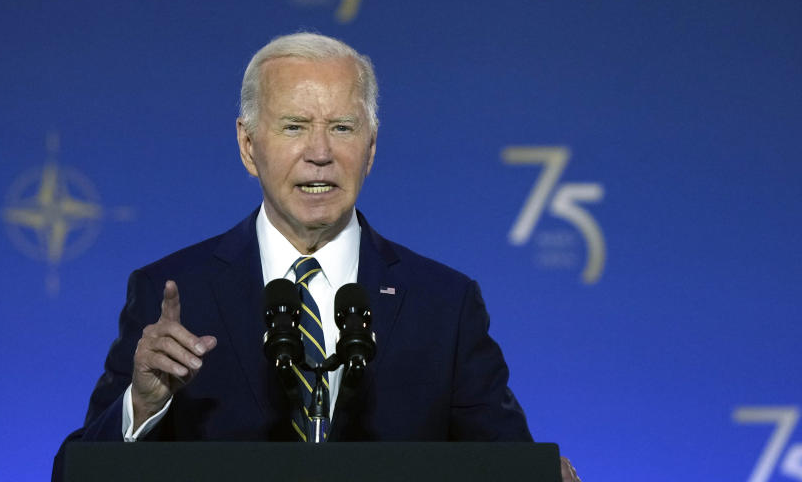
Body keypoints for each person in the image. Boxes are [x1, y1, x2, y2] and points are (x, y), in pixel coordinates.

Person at [53, 33, 580, 482]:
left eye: (343, 128)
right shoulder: (172, 294)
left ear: (371, 148)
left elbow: (506, 463)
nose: (320, 152)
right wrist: (141, 407)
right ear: (247, 144)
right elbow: (73, 473)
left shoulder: (444, 304)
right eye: (294, 126)